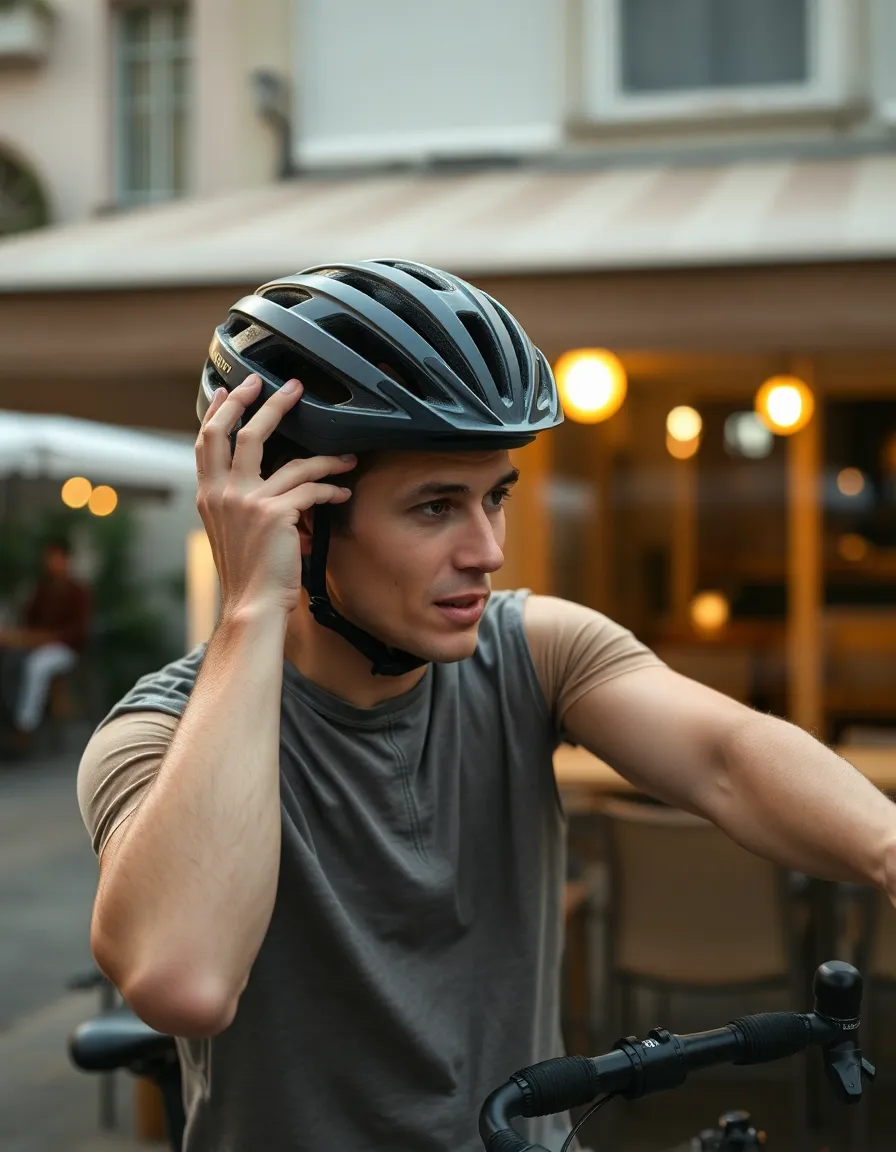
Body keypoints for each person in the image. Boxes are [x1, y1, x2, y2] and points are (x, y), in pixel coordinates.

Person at [77, 260, 896, 1152]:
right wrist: (246, 611)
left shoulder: (533, 650)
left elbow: (728, 759)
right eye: (436, 508)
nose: (489, 549)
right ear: (296, 521)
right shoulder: (155, 732)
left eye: (494, 498)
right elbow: (184, 983)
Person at [0, 537, 91, 750]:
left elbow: (78, 631)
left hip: (66, 650)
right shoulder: (42, 589)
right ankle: (8, 717)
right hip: (37, 645)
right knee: (11, 662)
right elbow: (29, 621)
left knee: (37, 666)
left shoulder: (79, 590)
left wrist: (49, 638)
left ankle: (25, 727)